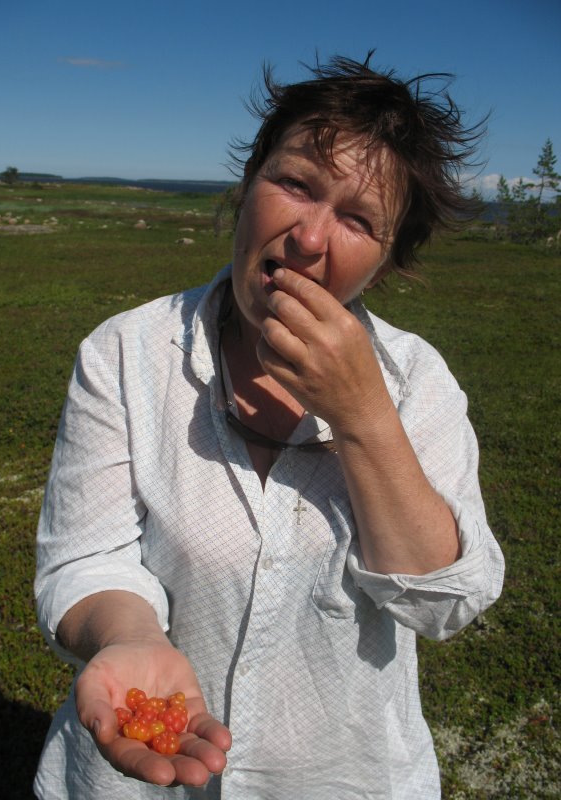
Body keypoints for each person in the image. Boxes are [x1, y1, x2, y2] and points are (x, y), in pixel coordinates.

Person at [34, 54, 505, 800]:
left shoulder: (417, 381)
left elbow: (443, 601)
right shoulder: (126, 353)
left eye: (358, 220)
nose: (309, 240)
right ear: (248, 182)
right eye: (295, 184)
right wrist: (129, 638)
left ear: (385, 265)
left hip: (343, 780)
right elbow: (84, 559)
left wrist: (363, 416)